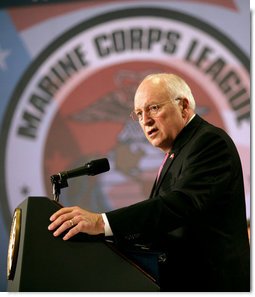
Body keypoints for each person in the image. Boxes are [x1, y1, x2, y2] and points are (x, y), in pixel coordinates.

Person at [48, 73, 250, 292]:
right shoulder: (179, 150)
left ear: (183, 106)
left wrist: (101, 223)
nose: (145, 120)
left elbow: (180, 204)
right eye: (138, 113)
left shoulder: (209, 142)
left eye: (153, 108)